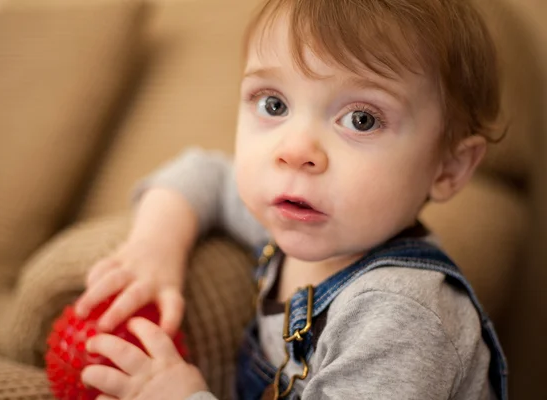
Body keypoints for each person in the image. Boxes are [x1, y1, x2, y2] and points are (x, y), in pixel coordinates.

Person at [73, 0, 508, 398]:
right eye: (274, 104)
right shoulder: (294, 212)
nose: (295, 150)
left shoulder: (402, 318)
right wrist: (156, 246)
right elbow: (201, 172)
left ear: (448, 169)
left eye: (361, 119)